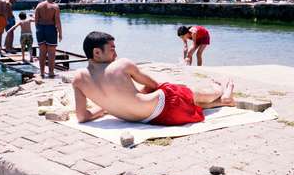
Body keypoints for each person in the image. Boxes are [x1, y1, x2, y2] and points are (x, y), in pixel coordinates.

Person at [73, 31, 234, 125]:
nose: (116, 53)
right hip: (166, 106)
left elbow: (82, 117)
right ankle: (222, 91)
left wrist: (106, 107)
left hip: (150, 120)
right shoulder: (121, 65)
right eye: (112, 49)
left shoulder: (78, 79)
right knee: (177, 89)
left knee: (191, 100)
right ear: (97, 52)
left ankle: (219, 101)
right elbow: (155, 84)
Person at [34, 0, 62, 78]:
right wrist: (60, 33)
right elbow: (57, 21)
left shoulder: (39, 6)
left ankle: (42, 72)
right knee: (51, 53)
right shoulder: (55, 7)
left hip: (40, 29)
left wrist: (38, 30)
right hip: (51, 29)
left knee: (42, 52)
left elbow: (36, 20)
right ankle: (51, 72)